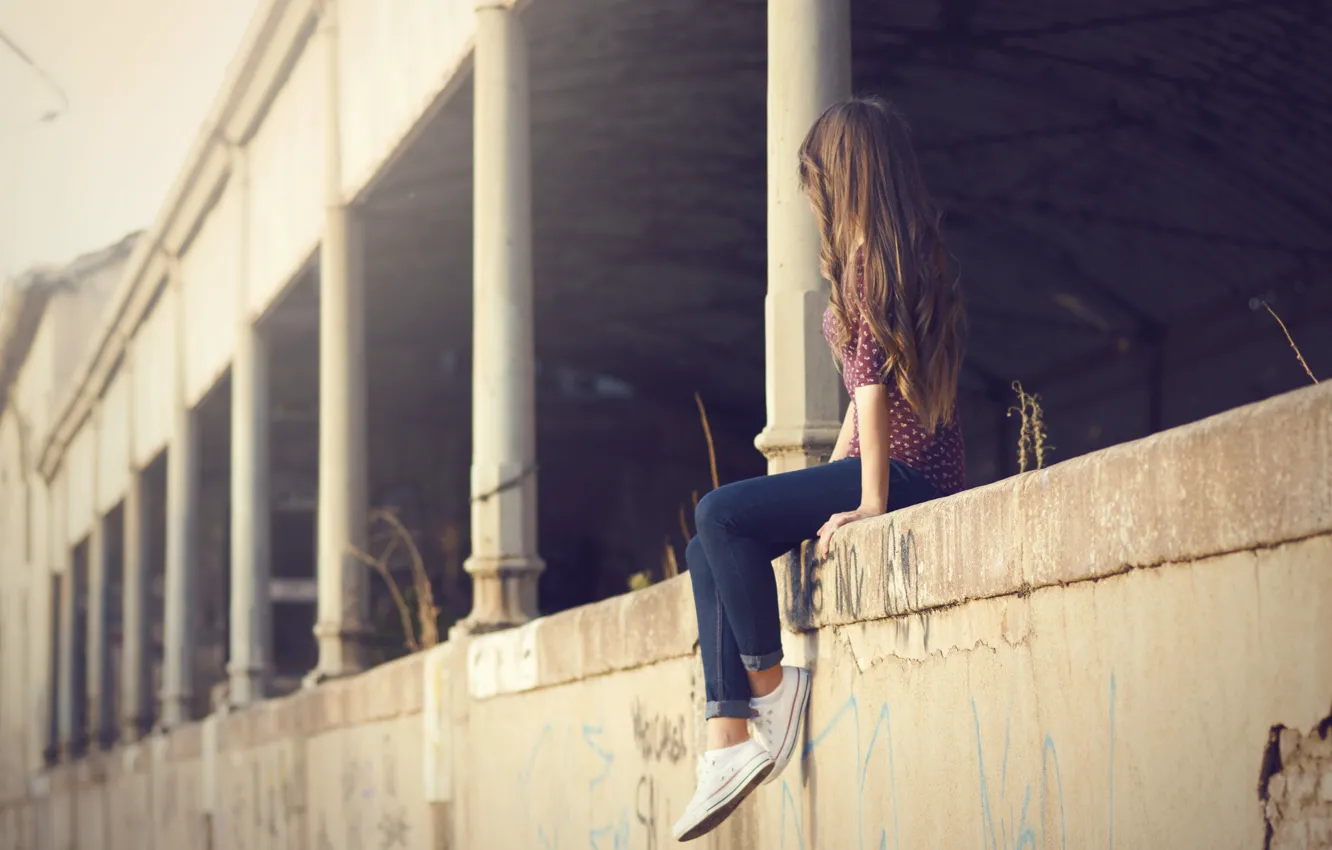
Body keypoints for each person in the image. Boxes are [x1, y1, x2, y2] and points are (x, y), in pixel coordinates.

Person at [671, 96, 968, 842]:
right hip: (893, 463)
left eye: (817, 181)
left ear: (842, 176)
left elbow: (870, 388)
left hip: (902, 472)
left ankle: (773, 689)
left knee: (718, 512)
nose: (814, 199)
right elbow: (863, 393)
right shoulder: (900, 252)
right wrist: (830, 476)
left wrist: (867, 498)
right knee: (706, 548)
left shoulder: (871, 259)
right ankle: (726, 742)